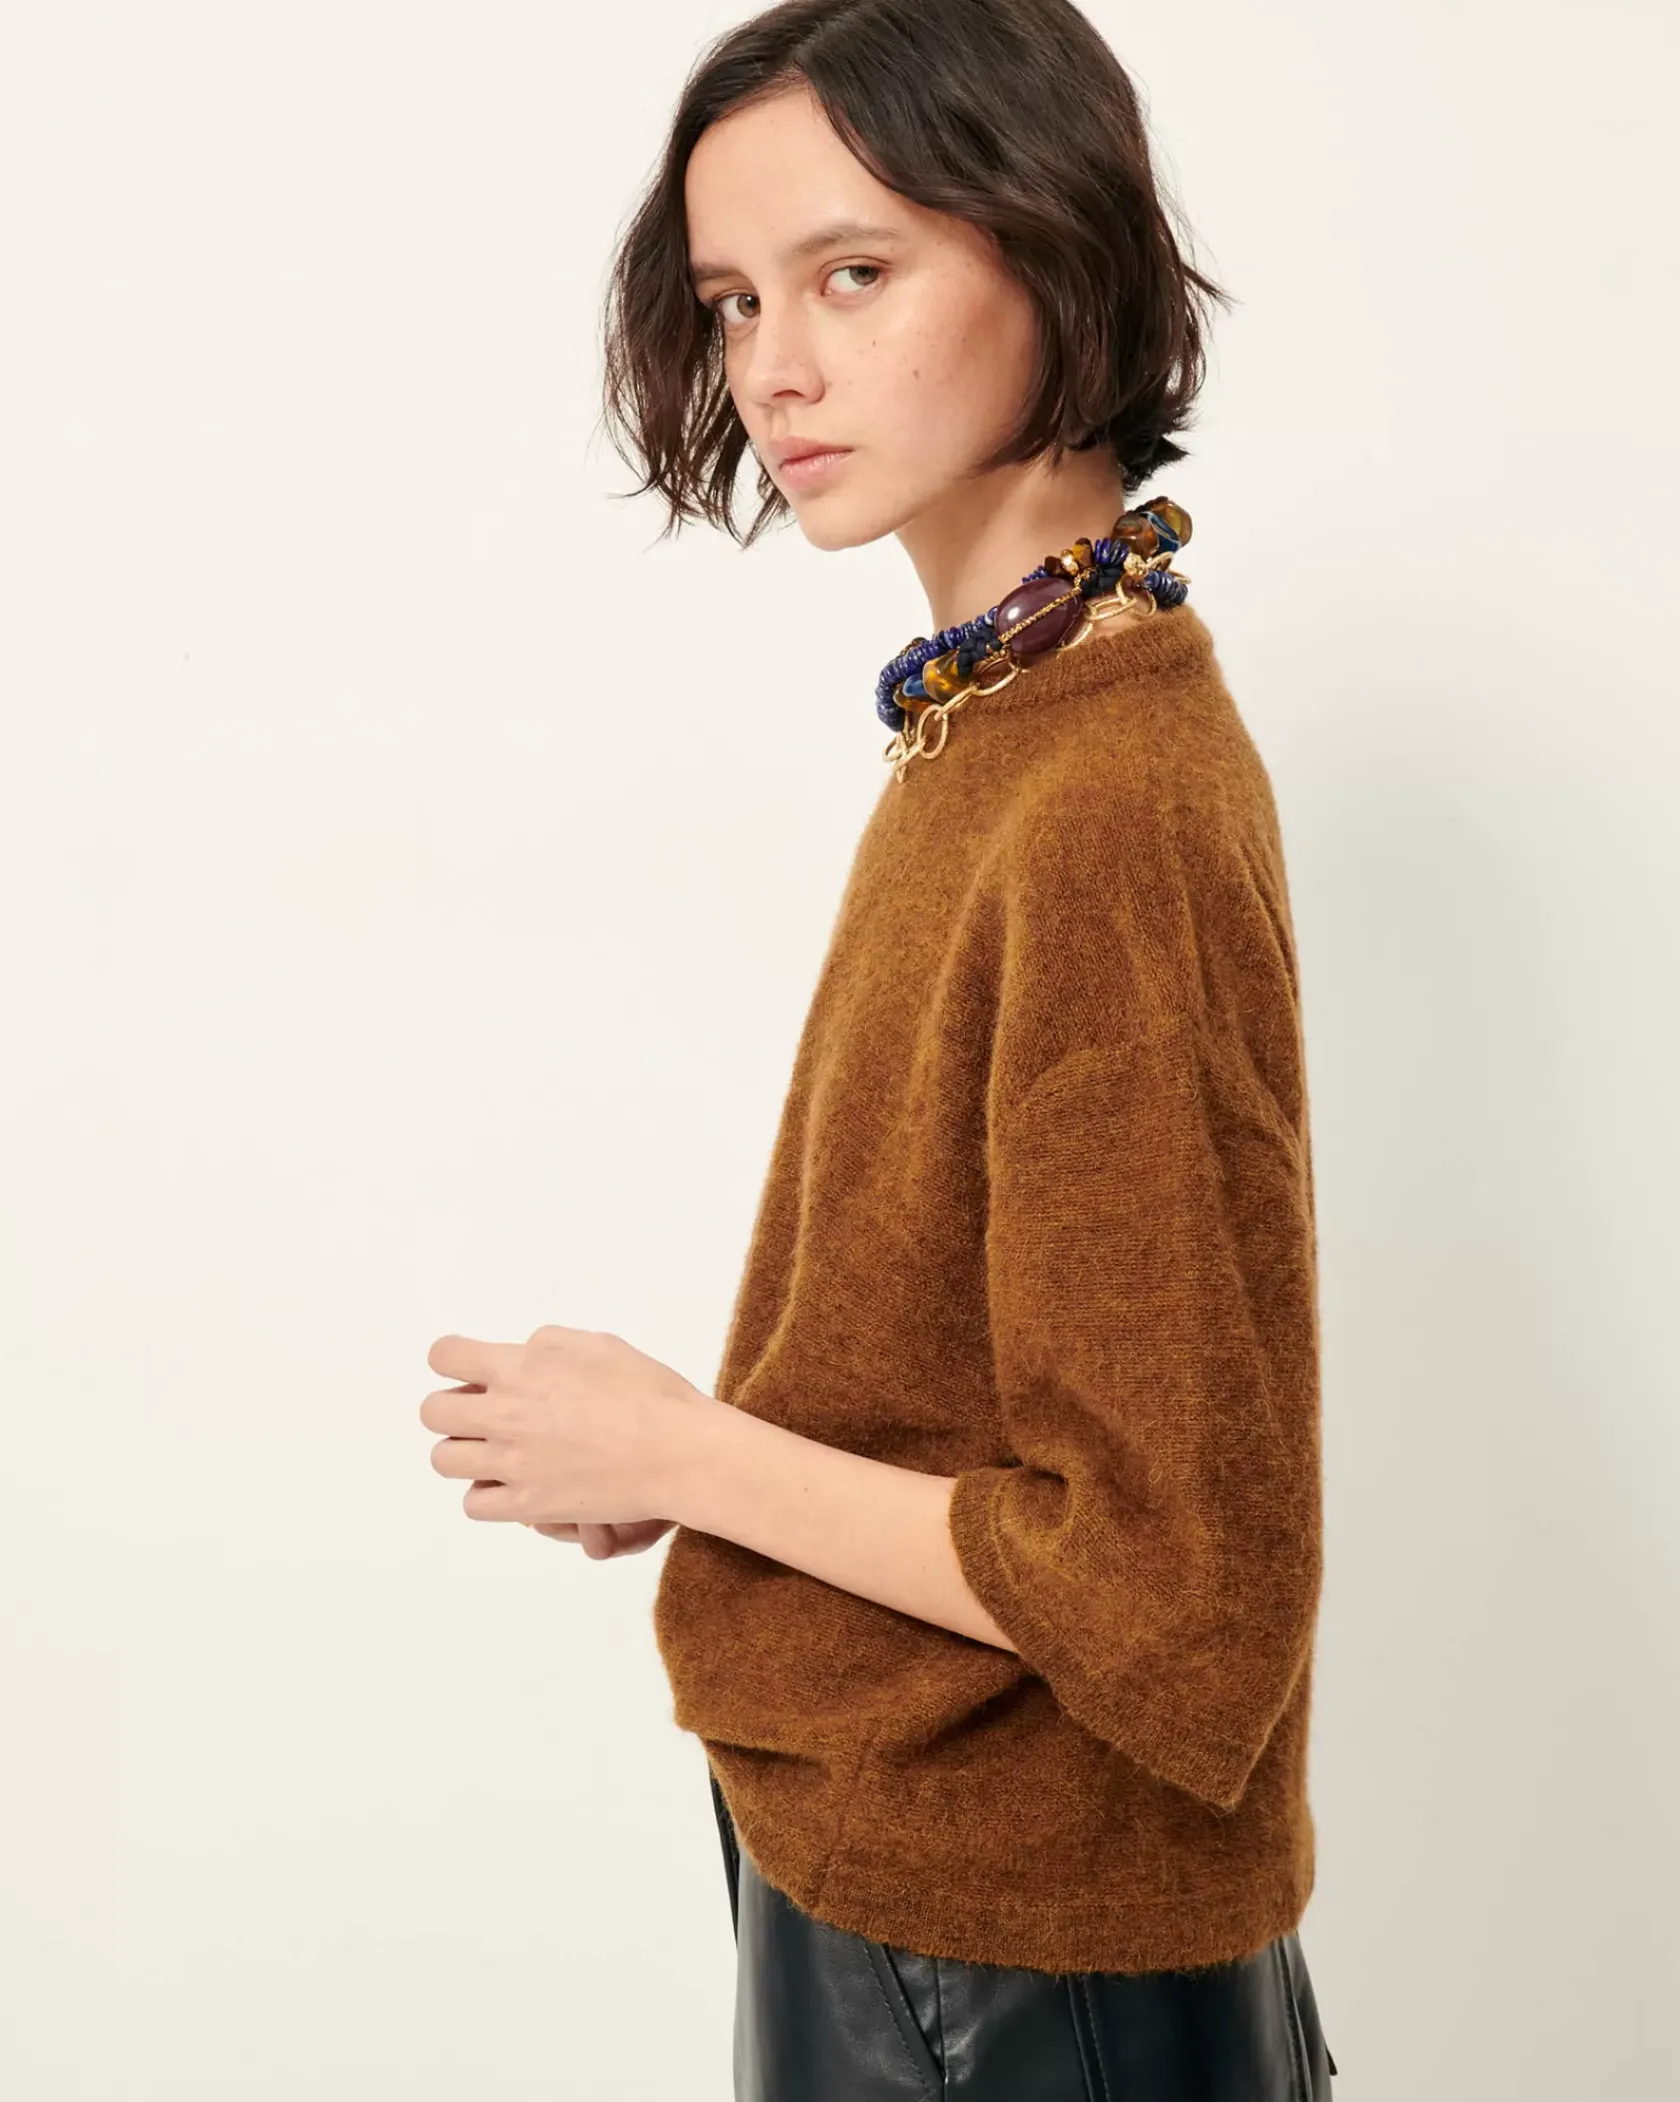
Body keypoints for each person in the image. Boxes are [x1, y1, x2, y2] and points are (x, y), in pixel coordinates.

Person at [435, 1, 1337, 2093]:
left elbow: (1179, 1593)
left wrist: (684, 1454)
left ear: (1059, 249)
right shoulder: (1005, 720)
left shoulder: (1104, 797)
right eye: (735, 298)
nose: (772, 366)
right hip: (938, 1898)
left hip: (1012, 1959)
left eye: (853, 272)